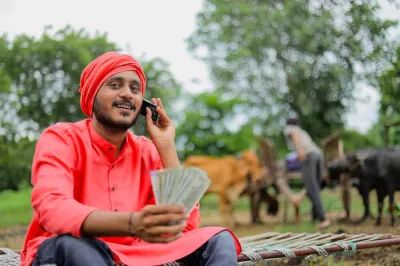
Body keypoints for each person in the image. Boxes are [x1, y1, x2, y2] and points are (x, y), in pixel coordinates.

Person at [20, 51, 241, 266]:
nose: (127, 93)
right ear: (92, 94)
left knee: (218, 239)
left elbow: (184, 226)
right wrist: (131, 223)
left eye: (135, 88)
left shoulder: (148, 150)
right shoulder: (62, 138)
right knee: (74, 246)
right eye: (115, 85)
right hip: (72, 245)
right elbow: (52, 209)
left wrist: (166, 147)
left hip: (135, 251)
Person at [283, 117, 330, 229]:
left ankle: (323, 219)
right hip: (318, 155)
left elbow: (294, 134)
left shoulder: (290, 129)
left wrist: (299, 151)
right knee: (315, 187)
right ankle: (315, 218)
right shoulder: (302, 131)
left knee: (311, 188)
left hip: (308, 156)